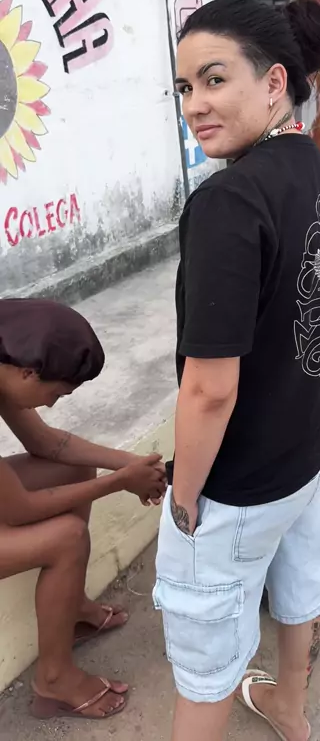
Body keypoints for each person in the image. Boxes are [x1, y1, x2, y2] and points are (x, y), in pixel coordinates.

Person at [153, 0, 320, 741]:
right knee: (302, 587)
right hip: (314, 447)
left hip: (242, 485)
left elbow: (209, 389)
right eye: (184, 87)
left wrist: (184, 500)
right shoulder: (319, 167)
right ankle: (289, 709)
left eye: (214, 79)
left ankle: (277, 706)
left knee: (205, 667)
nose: (195, 105)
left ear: (274, 83)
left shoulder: (229, 202)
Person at [0, 298, 166, 720]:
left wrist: (130, 464)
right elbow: (19, 510)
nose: (51, 405)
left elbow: (47, 444)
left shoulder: (6, 364)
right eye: (55, 393)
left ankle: (70, 608)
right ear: (28, 372)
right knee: (67, 540)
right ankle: (53, 682)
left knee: (76, 468)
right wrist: (120, 482)